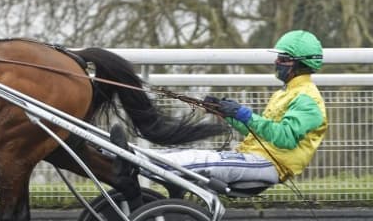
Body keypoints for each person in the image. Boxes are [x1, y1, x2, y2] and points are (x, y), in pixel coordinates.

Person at [113, 30, 328, 190]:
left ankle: (134, 160)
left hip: (268, 165)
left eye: (283, 59)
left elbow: (285, 139)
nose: (276, 62)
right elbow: (261, 134)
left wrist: (243, 113)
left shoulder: (307, 99)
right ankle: (126, 155)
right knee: (189, 155)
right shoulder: (287, 93)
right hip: (254, 158)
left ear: (298, 63)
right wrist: (226, 114)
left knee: (201, 159)